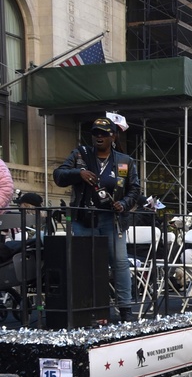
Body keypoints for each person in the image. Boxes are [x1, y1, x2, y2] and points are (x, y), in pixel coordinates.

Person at [53, 116, 142, 321]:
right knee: (87, 264)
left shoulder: (125, 161)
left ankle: (125, 310)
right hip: (84, 218)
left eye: (104, 133)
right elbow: (58, 175)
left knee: (120, 263)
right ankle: (92, 310)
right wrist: (79, 173)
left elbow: (135, 189)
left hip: (113, 219)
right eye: (95, 133)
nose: (99, 137)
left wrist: (124, 204)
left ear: (113, 136)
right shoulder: (80, 154)